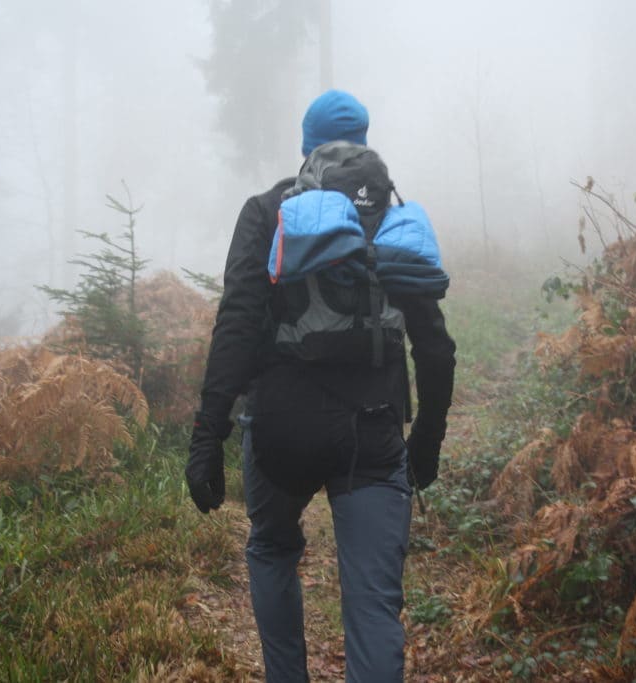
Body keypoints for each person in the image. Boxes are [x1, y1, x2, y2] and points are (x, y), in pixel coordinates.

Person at [185, 89, 456, 682]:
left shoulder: (267, 211)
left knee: (272, 548)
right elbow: (434, 343)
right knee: (373, 601)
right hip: (374, 430)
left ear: (305, 146)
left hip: (283, 429)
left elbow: (235, 325)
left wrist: (209, 435)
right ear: (365, 140)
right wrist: (427, 438)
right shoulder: (393, 218)